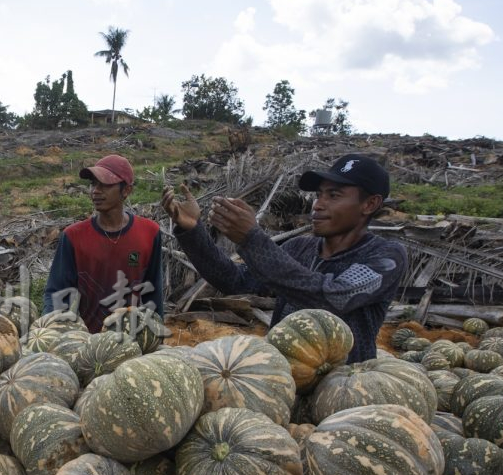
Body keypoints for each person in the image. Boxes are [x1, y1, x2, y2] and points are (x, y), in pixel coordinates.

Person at [161, 154, 407, 362]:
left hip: (345, 388)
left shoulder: (385, 256)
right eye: (319, 195)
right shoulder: (299, 247)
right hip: (287, 379)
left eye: (334, 196)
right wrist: (192, 231)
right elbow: (235, 281)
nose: (318, 204)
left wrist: (252, 239)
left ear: (370, 204)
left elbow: (332, 297)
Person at [43, 154, 164, 332]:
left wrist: (156, 333)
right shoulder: (73, 236)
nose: (95, 191)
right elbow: (57, 292)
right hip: (87, 343)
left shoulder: (149, 232)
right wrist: (55, 333)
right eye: (93, 184)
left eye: (105, 184)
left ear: (126, 190)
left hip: (134, 340)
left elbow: (154, 292)